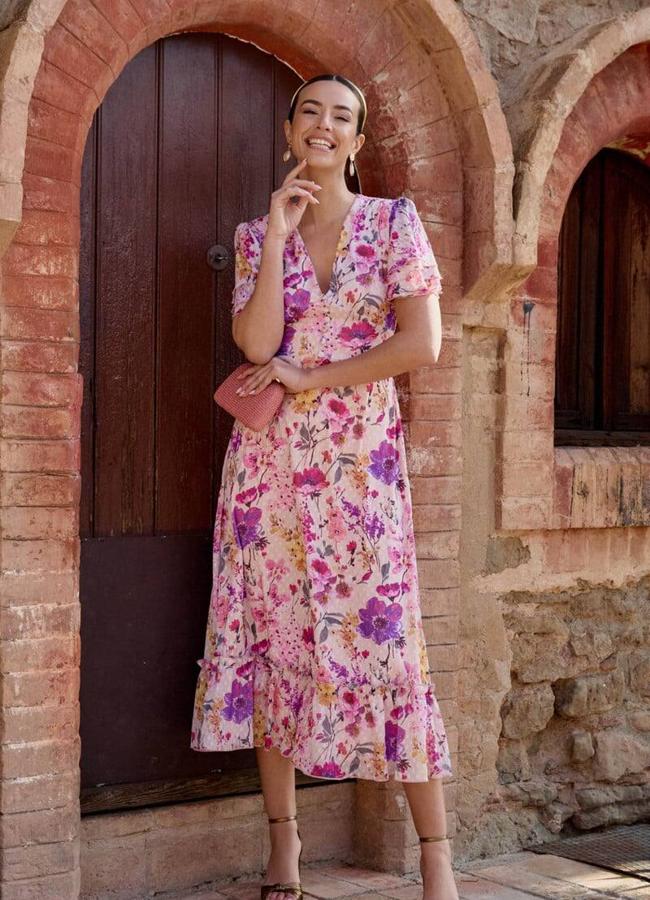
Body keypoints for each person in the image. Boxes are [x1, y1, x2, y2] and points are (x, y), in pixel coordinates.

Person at [191, 73, 458, 900]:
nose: (325, 125)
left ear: (357, 140)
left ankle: (436, 859)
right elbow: (257, 337)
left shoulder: (393, 224)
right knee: (273, 638)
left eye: (343, 117)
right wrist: (276, 234)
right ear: (290, 128)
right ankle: (285, 849)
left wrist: (316, 376)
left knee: (389, 647)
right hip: (267, 472)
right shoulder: (253, 234)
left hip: (360, 469)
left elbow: (422, 345)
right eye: (312, 111)